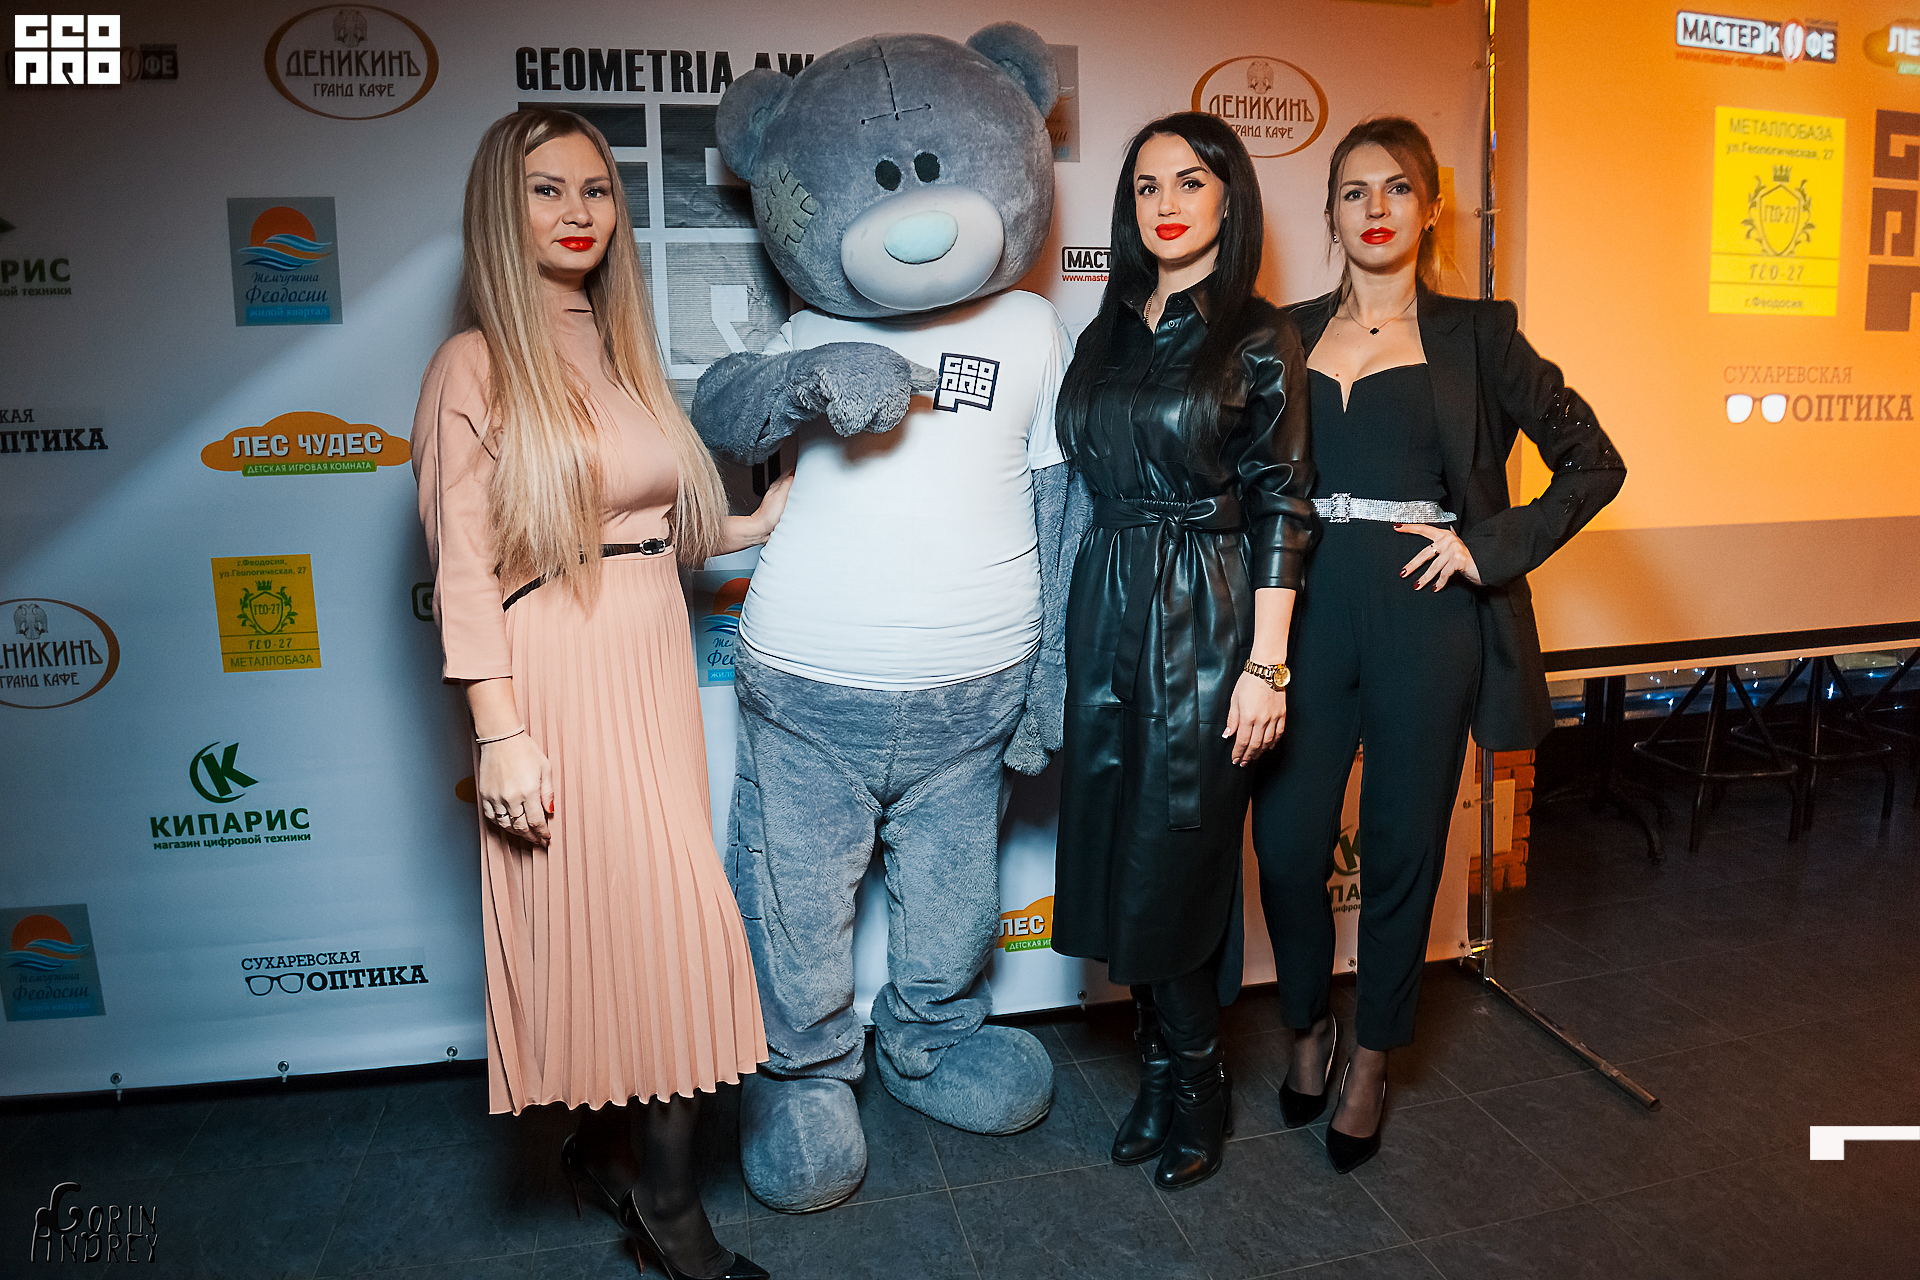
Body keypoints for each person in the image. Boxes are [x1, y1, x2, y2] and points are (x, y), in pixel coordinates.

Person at [412, 107, 788, 1280]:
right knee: (663, 932)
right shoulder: (473, 364)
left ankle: (610, 1152)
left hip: (650, 658)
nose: (578, 211)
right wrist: (500, 733)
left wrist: (755, 519)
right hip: (556, 672)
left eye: (594, 189)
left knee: (647, 932)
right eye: (546, 189)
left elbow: (646, 523)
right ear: (500, 207)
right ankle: (668, 1208)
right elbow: (464, 568)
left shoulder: (621, 349)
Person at [1250, 116, 1625, 1174]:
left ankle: (1372, 1056)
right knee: (1287, 846)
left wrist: (1483, 546)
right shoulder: (1284, 332)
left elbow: (1594, 462)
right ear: (1329, 213)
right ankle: (1306, 1024)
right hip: (1306, 611)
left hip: (1428, 621)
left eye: (1397, 189)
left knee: (1404, 846)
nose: (1375, 209)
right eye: (1354, 191)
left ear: (1430, 207)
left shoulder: (1480, 333)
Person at [1051, 112, 1315, 1192]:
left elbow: (1284, 506)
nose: (1166, 203)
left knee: (1177, 855)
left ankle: (1199, 1082)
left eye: (1190, 181)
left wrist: (1266, 664)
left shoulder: (1258, 334)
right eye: (1147, 184)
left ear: (1228, 198)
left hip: (1206, 611)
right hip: (1108, 598)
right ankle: (1159, 1071)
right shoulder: (1106, 328)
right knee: (1122, 847)